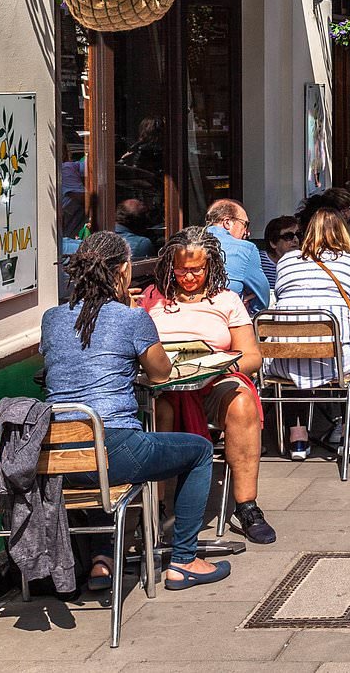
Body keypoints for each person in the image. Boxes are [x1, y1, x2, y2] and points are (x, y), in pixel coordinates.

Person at [40, 231, 230, 591]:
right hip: (115, 448)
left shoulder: (52, 318)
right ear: (124, 271)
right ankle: (185, 561)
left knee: (92, 451)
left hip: (56, 456)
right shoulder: (130, 318)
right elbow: (161, 373)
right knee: (199, 451)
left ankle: (102, 560)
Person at [140, 227, 276, 544]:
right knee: (161, 412)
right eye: (182, 269)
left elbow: (252, 357)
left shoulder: (226, 300)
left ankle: (247, 505)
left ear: (210, 265)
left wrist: (216, 367)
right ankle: (156, 509)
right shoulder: (152, 298)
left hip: (213, 382)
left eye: (196, 269)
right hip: (164, 387)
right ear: (169, 265)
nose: (189, 276)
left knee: (242, 402)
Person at [265, 208, 350, 460]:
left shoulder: (287, 261)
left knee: (299, 357)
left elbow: (281, 296)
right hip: (335, 362)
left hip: (284, 359)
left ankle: (298, 439)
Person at [205, 199, 271, 313]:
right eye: (245, 224)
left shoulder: (186, 244)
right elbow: (262, 299)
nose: (247, 232)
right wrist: (242, 304)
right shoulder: (246, 249)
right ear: (227, 222)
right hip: (226, 320)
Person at [259, 215, 300, 291]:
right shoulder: (257, 261)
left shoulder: (303, 263)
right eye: (288, 236)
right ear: (273, 243)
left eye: (298, 235)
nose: (296, 240)